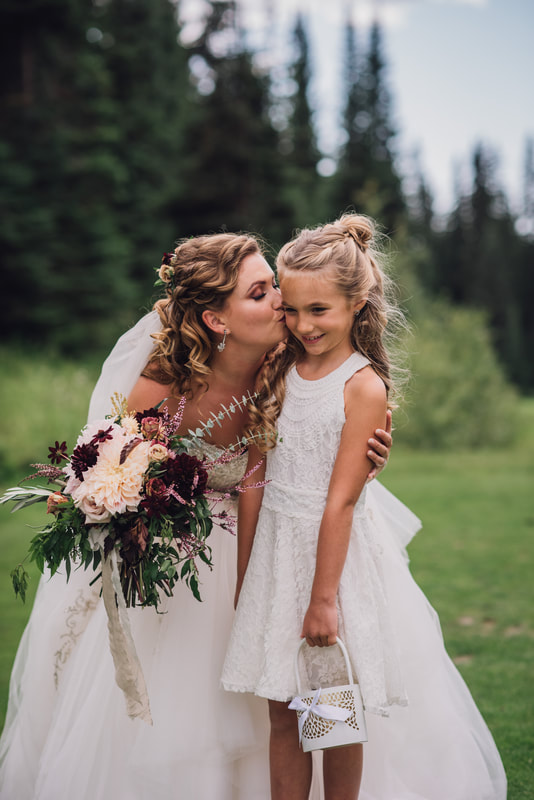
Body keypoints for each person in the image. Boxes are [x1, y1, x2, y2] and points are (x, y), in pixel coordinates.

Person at [0, 231, 392, 800]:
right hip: (195, 547)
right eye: (262, 292)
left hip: (292, 542)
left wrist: (371, 452)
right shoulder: (164, 387)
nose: (283, 303)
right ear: (216, 320)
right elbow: (107, 464)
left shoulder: (291, 358)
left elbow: (332, 418)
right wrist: (121, 498)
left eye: (275, 286)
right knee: (237, 706)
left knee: (319, 695)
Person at [221, 214, 507, 800]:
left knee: (331, 714)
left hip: (333, 563)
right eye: (292, 309)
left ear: (357, 303)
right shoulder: (279, 368)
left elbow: (342, 502)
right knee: (281, 712)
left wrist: (324, 601)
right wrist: (247, 571)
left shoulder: (362, 386)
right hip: (277, 555)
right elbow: (255, 479)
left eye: (319, 310)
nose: (302, 324)